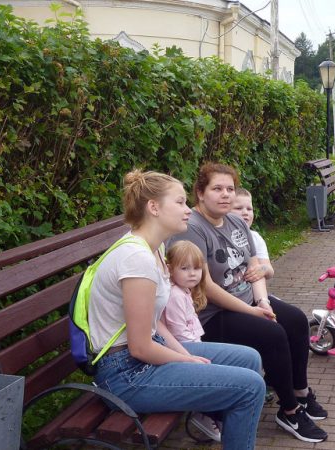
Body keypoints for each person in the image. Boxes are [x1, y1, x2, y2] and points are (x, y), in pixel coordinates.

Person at [89, 169, 265, 450]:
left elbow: (156, 324)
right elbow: (140, 348)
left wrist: (184, 353)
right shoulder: (136, 259)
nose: (187, 210)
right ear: (154, 207)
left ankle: (223, 425)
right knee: (250, 388)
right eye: (180, 202)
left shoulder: (154, 250)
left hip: (143, 356)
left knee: (249, 360)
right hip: (127, 375)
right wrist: (186, 362)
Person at [171, 163, 329, 443]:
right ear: (200, 193)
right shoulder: (193, 229)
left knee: (294, 319)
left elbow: (254, 267)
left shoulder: (235, 222)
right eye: (217, 188)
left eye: (230, 189)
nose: (225, 195)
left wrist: (263, 300)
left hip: (247, 300)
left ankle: (301, 391)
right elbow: (204, 285)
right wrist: (253, 312)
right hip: (210, 314)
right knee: (272, 333)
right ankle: (289, 410)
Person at [161, 240, 221, 442]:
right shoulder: (175, 296)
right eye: (185, 268)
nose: (193, 273)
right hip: (183, 348)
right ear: (170, 270)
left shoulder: (184, 291)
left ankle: (212, 413)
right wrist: (198, 348)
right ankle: (204, 414)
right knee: (213, 370)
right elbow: (178, 331)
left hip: (189, 344)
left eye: (197, 268)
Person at [231, 188, 274, 282]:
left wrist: (263, 269)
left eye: (249, 209)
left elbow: (270, 270)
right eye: (238, 208)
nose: (245, 212)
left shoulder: (255, 238)